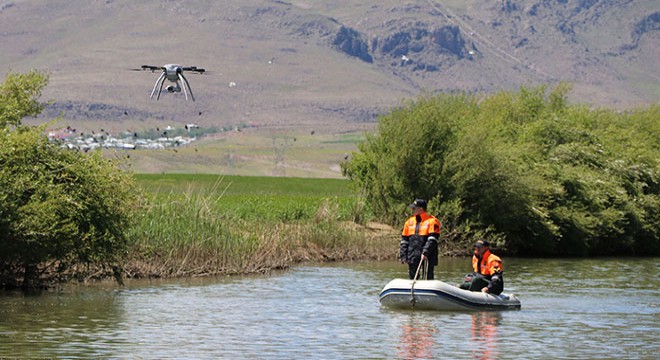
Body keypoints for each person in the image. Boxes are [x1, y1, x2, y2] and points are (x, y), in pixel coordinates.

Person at [400, 199, 441, 280]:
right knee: (413, 278)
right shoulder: (409, 222)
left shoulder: (432, 221)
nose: (412, 210)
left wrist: (425, 252)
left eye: (414, 208)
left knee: (427, 277)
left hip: (427, 256)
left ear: (421, 209)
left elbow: (432, 239)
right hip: (412, 255)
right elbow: (404, 240)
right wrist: (403, 255)